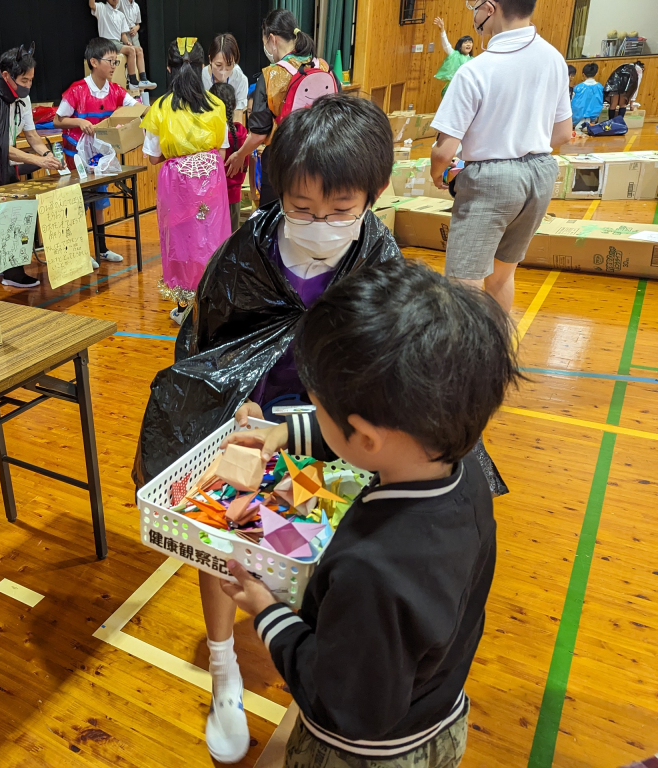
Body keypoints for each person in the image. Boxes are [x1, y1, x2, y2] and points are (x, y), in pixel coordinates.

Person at [133, 95, 402, 763]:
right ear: (279, 190)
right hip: (249, 424)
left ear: (373, 196)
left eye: (341, 212)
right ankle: (224, 670)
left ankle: (304, 652)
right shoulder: (244, 254)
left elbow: (384, 375)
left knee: (315, 550)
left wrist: (309, 425)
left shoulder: (381, 261)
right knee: (222, 546)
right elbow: (204, 353)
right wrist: (231, 417)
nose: (319, 225)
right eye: (303, 209)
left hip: (329, 432)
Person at [220, 257, 521, 768]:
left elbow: (347, 706)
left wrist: (266, 611)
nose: (315, 417)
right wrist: (286, 433)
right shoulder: (460, 463)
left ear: (364, 435)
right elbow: (375, 441)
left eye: (317, 410)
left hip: (363, 752)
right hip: (439, 710)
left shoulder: (373, 570)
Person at [430, 0, 571, 314]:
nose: (473, 15)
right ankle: (498, 356)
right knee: (502, 275)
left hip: (490, 180)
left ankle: (468, 363)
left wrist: (437, 173)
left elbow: (444, 150)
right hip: (541, 174)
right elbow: (563, 134)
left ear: (489, 8)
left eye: (473, 7)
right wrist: (521, 143)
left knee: (462, 284)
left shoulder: (476, 69)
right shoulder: (554, 59)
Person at [141, 38, 231, 325]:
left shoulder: (160, 108)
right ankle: (212, 302)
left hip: (177, 186)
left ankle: (184, 308)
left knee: (180, 243)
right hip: (210, 179)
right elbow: (222, 148)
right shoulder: (216, 105)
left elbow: (153, 157)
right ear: (203, 67)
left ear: (169, 68)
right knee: (212, 238)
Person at [0, 44, 64, 289]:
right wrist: (37, 160)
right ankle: (9, 272)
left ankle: (13, 269)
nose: (28, 86)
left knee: (20, 211)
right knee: (4, 216)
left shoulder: (23, 99)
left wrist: (48, 154)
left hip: (8, 164)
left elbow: (32, 136)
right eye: (24, 80)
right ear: (6, 76)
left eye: (31, 80)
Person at [225, 9, 331, 209]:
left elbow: (258, 134)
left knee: (276, 225)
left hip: (282, 163)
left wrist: (240, 155)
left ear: (272, 39)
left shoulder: (271, 75)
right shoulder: (322, 66)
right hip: (321, 158)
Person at [54, 38, 140, 266]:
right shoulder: (77, 90)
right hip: (77, 157)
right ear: (93, 62)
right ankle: (80, 252)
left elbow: (136, 108)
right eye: (110, 61)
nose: (114, 66)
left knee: (100, 201)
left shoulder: (115, 90)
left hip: (100, 157)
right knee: (80, 203)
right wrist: (78, 122)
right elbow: (58, 120)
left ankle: (101, 249)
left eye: (116, 61)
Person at [87, 0, 155, 92]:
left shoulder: (120, 14)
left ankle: (143, 79)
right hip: (106, 42)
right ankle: (133, 81)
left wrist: (127, 42)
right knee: (131, 51)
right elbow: (92, 5)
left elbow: (122, 34)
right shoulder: (102, 8)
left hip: (117, 42)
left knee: (139, 49)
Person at [210, 82, 247, 232]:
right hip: (234, 197)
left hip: (215, 198)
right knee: (230, 243)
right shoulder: (242, 134)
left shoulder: (213, 136)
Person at [201, 34, 249, 122]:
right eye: (218, 65)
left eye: (229, 65)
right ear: (210, 60)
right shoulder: (201, 77)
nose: (223, 72)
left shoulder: (240, 79)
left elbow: (238, 117)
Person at [432, 17, 474, 97]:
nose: (468, 44)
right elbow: (446, 45)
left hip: (467, 90)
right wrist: (442, 30)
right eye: (466, 43)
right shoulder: (454, 54)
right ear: (460, 46)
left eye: (470, 43)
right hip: (452, 88)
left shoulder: (473, 60)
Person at [571, 61, 604, 126]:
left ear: (583, 74)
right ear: (596, 73)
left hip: (577, 120)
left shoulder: (578, 88)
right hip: (593, 120)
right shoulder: (600, 87)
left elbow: (573, 104)